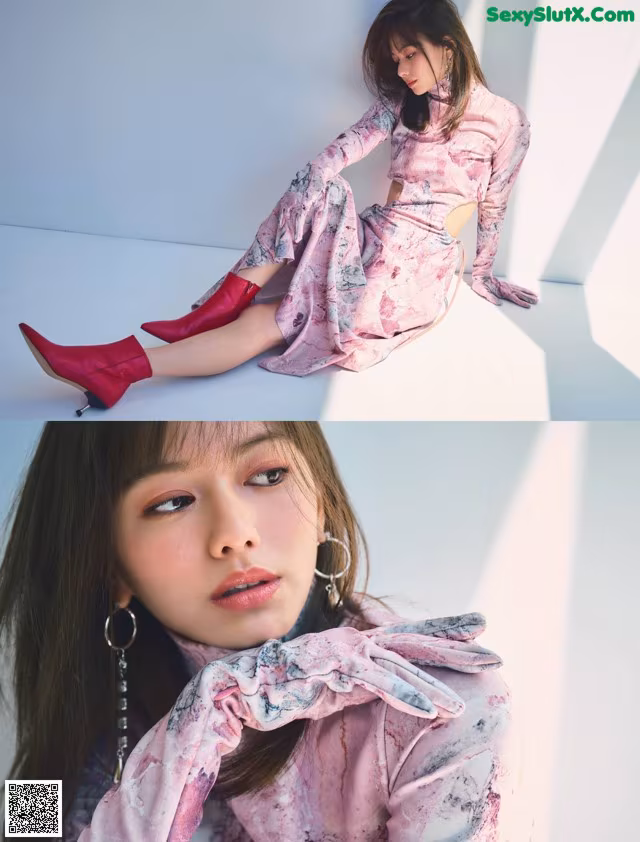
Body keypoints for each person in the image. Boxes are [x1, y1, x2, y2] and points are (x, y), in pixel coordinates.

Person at [0, 420, 520, 840]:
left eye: (269, 475)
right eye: (172, 502)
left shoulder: (442, 707)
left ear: (323, 505)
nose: (235, 535)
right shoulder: (68, 723)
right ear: (111, 566)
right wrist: (193, 731)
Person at [18, 0, 538, 416]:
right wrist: (315, 172)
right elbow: (347, 145)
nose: (400, 70)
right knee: (319, 179)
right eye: (394, 58)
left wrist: (484, 274)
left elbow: (494, 206)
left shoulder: (506, 121)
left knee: (278, 312)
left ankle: (210, 309)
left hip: (414, 274)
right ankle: (114, 369)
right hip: (371, 238)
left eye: (409, 55)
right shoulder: (402, 106)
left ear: (447, 47)